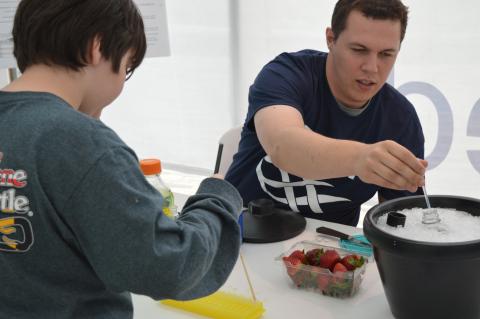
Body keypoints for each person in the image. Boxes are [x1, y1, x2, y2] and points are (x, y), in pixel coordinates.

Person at [0, 1, 242, 318]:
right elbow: (169, 266)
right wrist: (217, 197)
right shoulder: (79, 141)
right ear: (96, 47)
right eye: (126, 68)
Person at [225, 0, 427, 226]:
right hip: (238, 235)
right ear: (331, 39)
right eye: (359, 50)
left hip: (330, 253)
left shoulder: (401, 119)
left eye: (386, 54)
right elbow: (283, 146)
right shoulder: (286, 74)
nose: (372, 67)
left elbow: (402, 224)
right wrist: (360, 159)